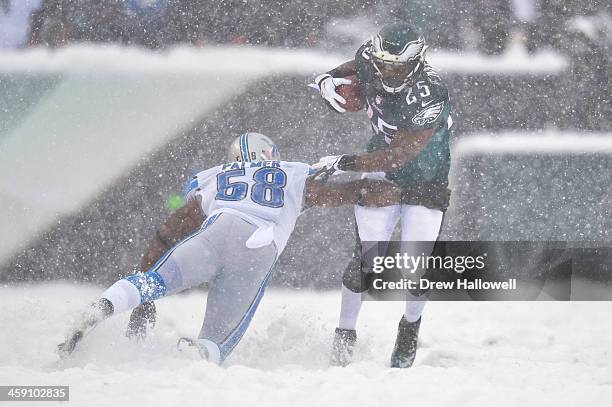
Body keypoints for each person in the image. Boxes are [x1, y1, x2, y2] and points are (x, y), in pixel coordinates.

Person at [58, 132, 399, 365]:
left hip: (215, 232)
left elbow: (167, 232)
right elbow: (348, 193)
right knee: (216, 343)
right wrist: (396, 192)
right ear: (268, 155)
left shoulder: (217, 177)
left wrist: (145, 294)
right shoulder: (291, 176)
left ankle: (104, 305)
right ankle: (197, 358)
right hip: (256, 249)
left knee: (153, 282)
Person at [312, 22, 453, 367]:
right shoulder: (371, 58)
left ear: (417, 62)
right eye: (383, 64)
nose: (387, 72)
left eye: (397, 66)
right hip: (381, 176)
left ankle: (409, 328)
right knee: (368, 260)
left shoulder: (430, 92)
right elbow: (355, 65)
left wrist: (345, 162)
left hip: (425, 176)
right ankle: (344, 334)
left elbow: (399, 155)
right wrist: (327, 78)